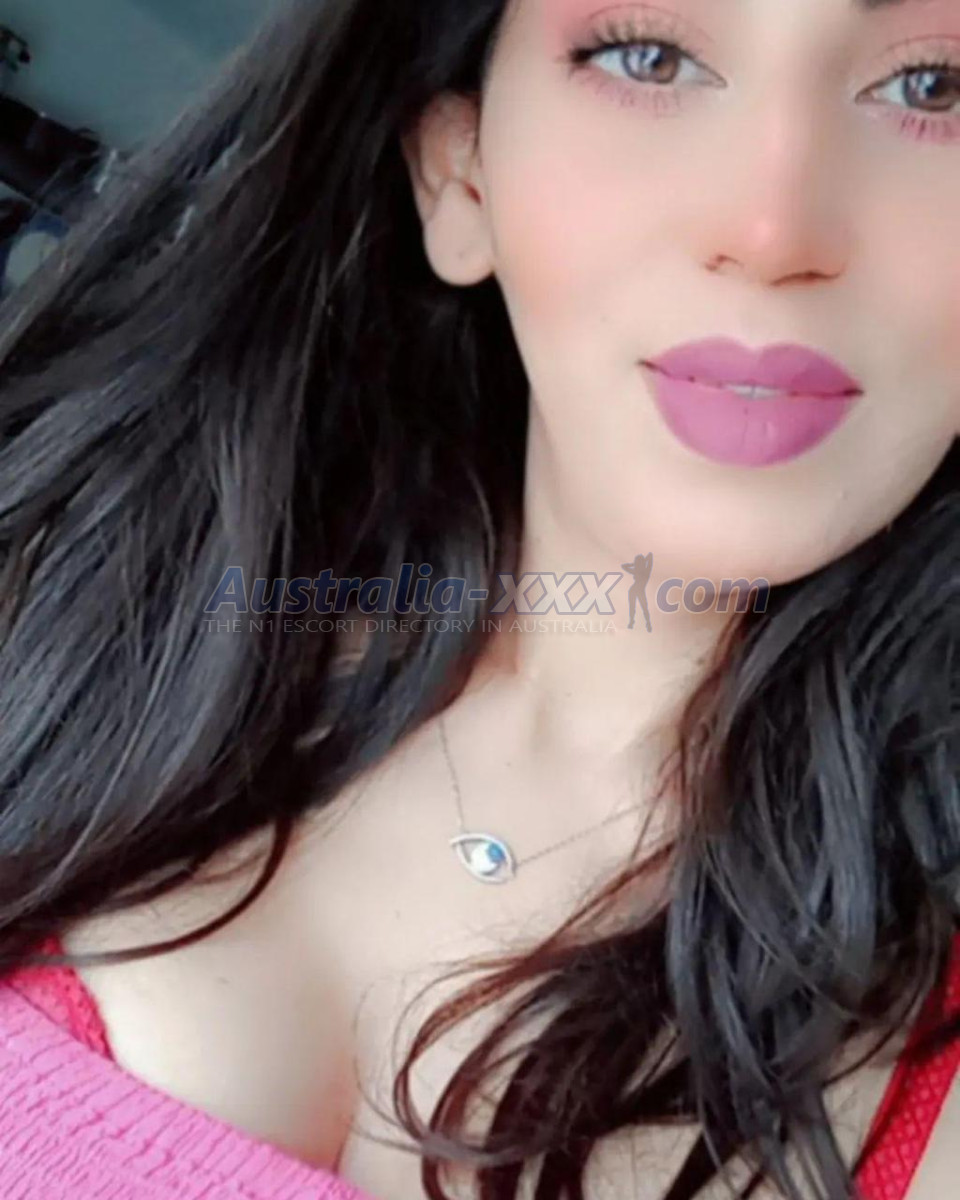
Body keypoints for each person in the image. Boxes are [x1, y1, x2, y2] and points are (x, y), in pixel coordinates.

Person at [0, 0, 957, 1197]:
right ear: (461, 177)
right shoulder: (69, 625)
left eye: (937, 88)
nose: (772, 230)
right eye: (647, 55)